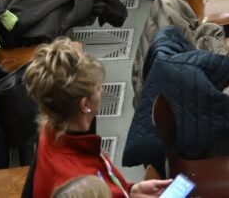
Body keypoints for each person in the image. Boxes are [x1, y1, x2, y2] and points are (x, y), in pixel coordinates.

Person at [23, 37, 172, 197]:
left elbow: (107, 182)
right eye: (98, 88)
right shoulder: (77, 187)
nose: (101, 91)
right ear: (85, 104)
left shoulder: (51, 133)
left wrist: (130, 190)